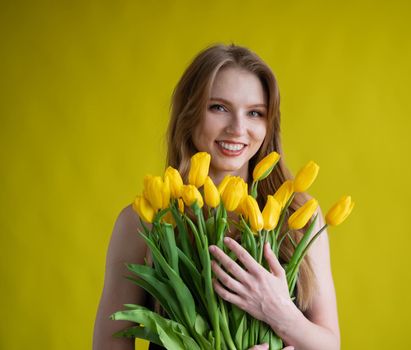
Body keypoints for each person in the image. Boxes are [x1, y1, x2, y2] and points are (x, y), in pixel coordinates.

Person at [93, 44, 340, 350]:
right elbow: (109, 343)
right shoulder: (144, 220)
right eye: (218, 108)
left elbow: (329, 345)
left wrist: (280, 312)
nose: (238, 128)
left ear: (268, 123)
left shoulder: (298, 215)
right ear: (189, 114)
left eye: (255, 113)